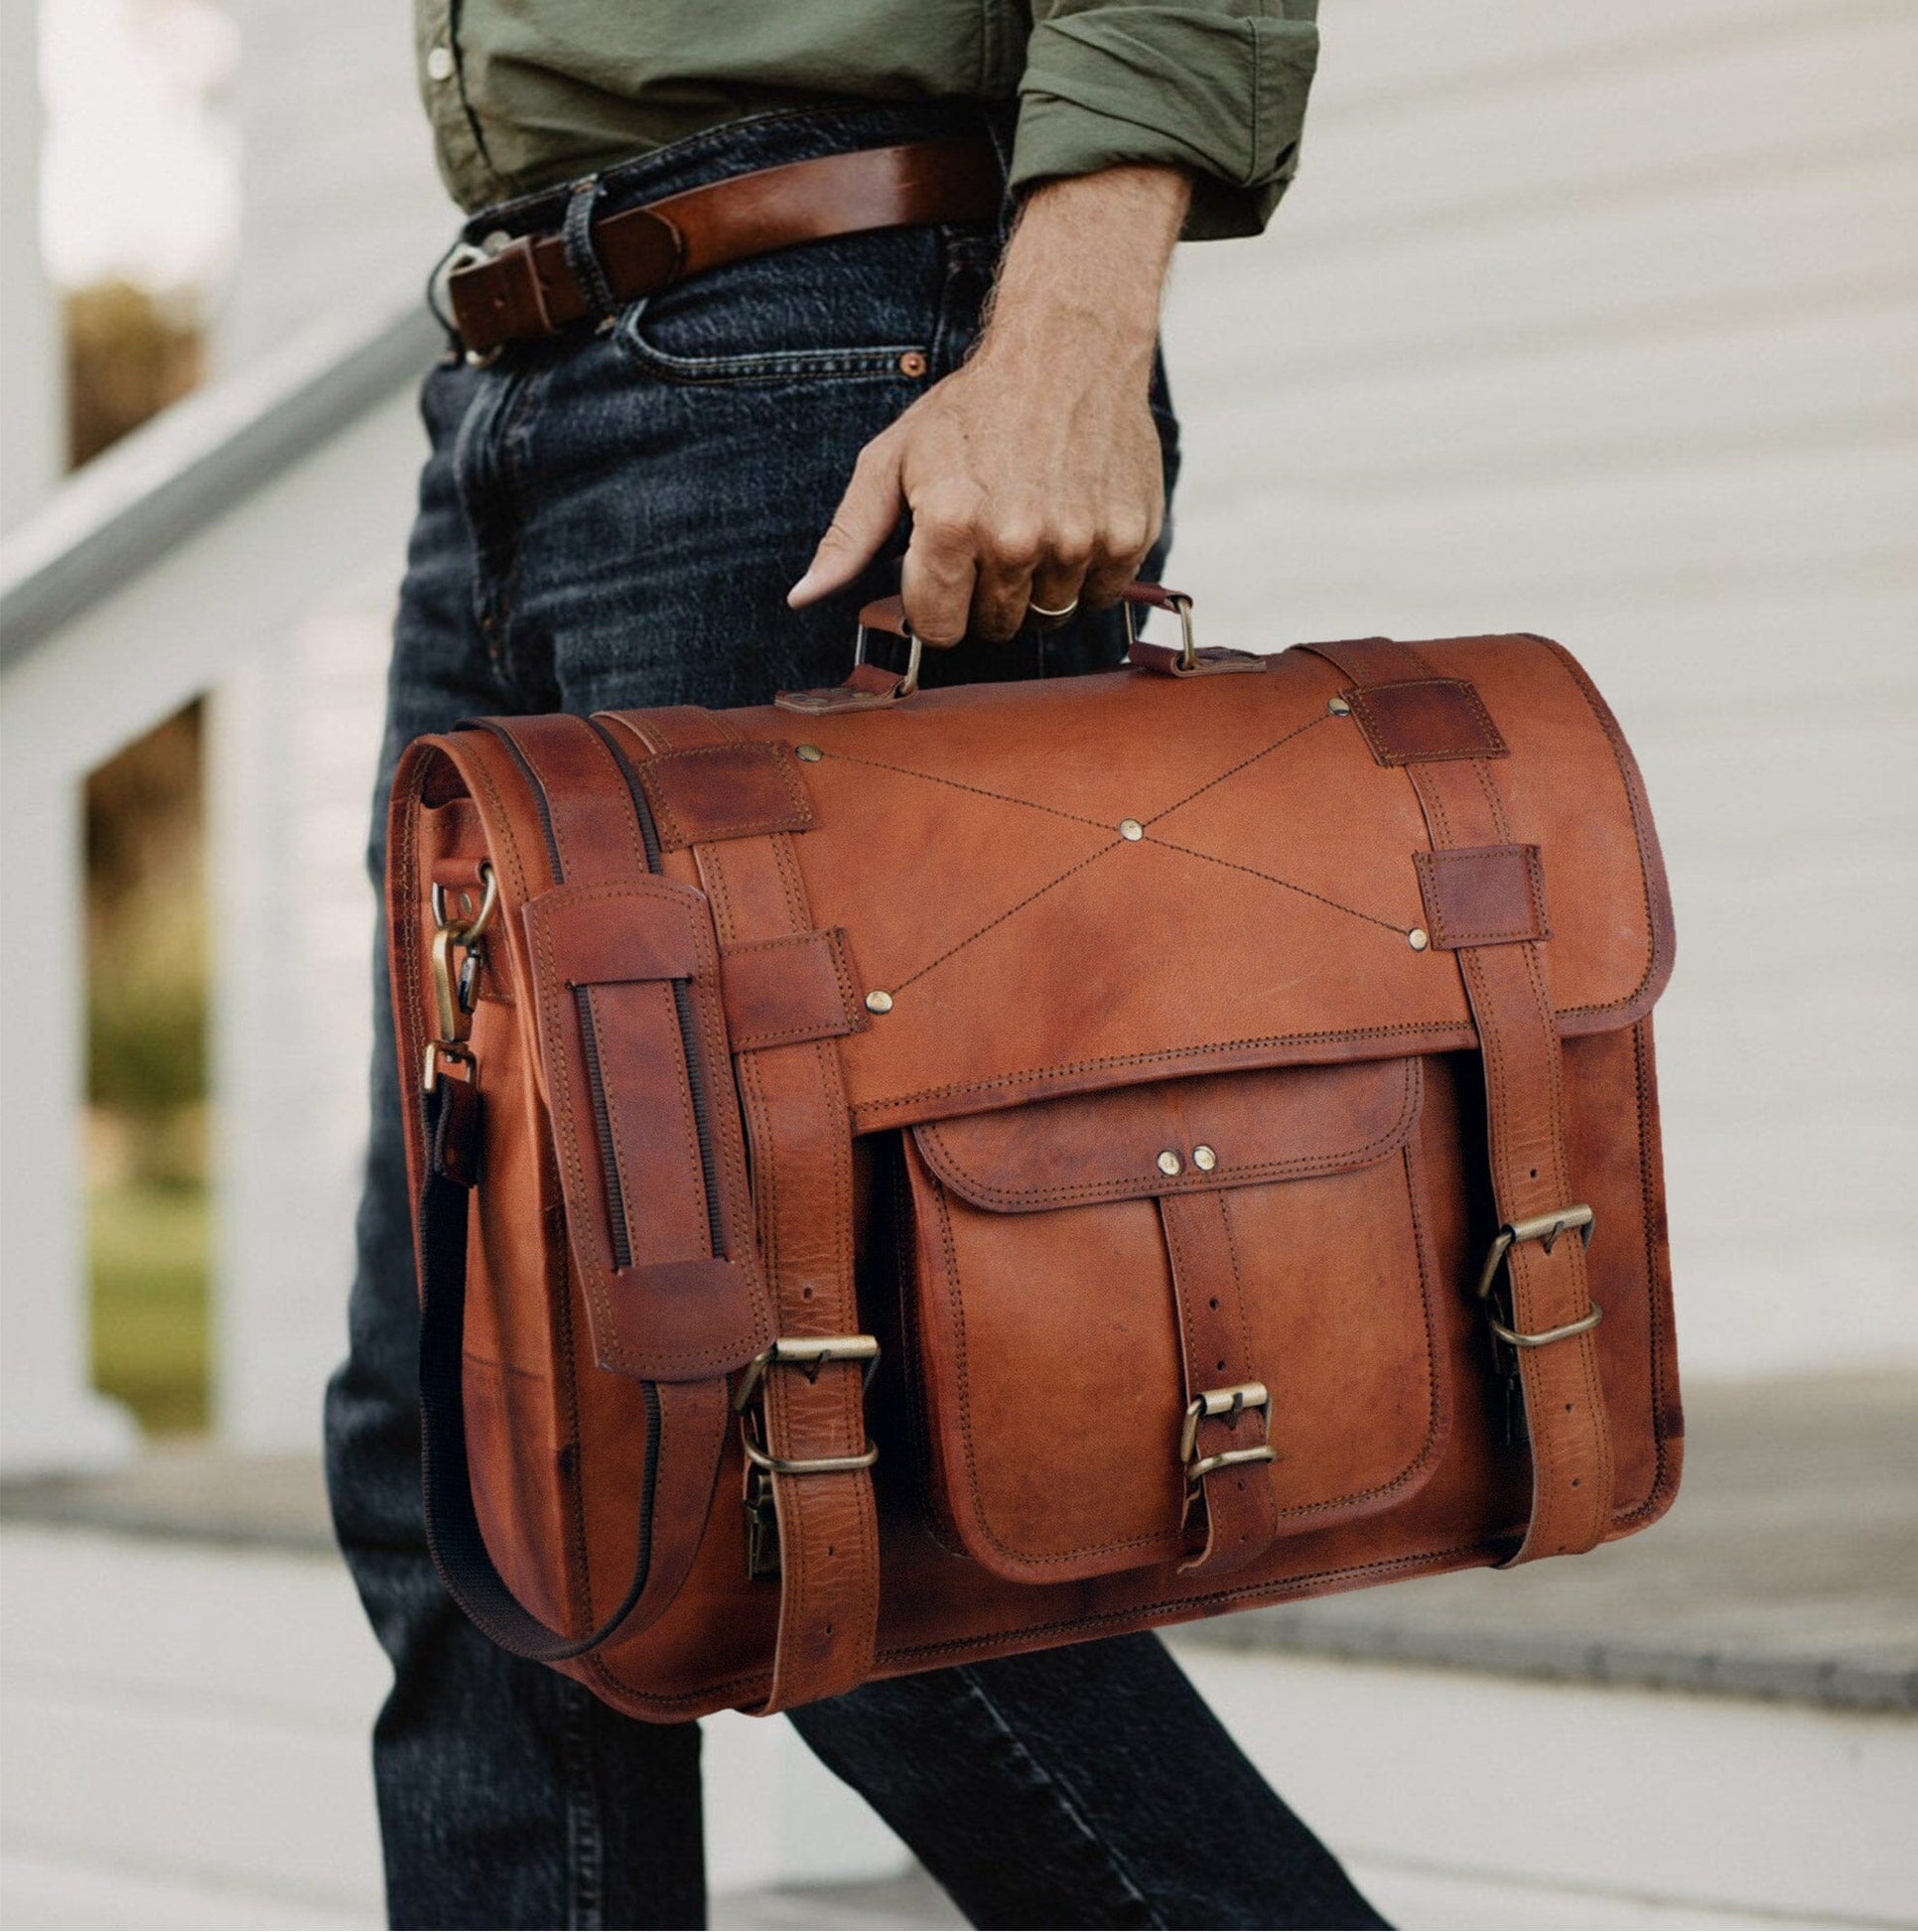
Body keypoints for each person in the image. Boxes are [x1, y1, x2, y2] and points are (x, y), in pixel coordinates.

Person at [327, 5, 1388, 1926]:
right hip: (509, 388)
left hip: (814, 364)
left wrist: (1075, 327)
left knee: (816, 1447)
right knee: (471, 1429)